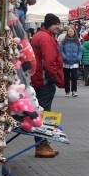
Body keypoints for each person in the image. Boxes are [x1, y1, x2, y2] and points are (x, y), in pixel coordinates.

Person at [30, 13, 64, 158]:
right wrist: (54, 77)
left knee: (42, 112)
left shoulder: (40, 36)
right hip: (44, 81)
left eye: (59, 24)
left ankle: (44, 142)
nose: (58, 27)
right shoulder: (46, 38)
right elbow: (49, 61)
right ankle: (41, 145)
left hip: (38, 79)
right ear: (49, 24)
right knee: (44, 113)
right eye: (56, 24)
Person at [60, 26, 82, 97]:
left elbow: (80, 51)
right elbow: (61, 50)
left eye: (71, 31)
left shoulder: (77, 41)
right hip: (66, 62)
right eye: (69, 31)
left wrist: (78, 57)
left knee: (74, 78)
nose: (70, 32)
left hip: (75, 62)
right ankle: (67, 91)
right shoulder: (64, 41)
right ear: (67, 32)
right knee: (66, 78)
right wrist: (64, 56)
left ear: (74, 32)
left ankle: (74, 91)